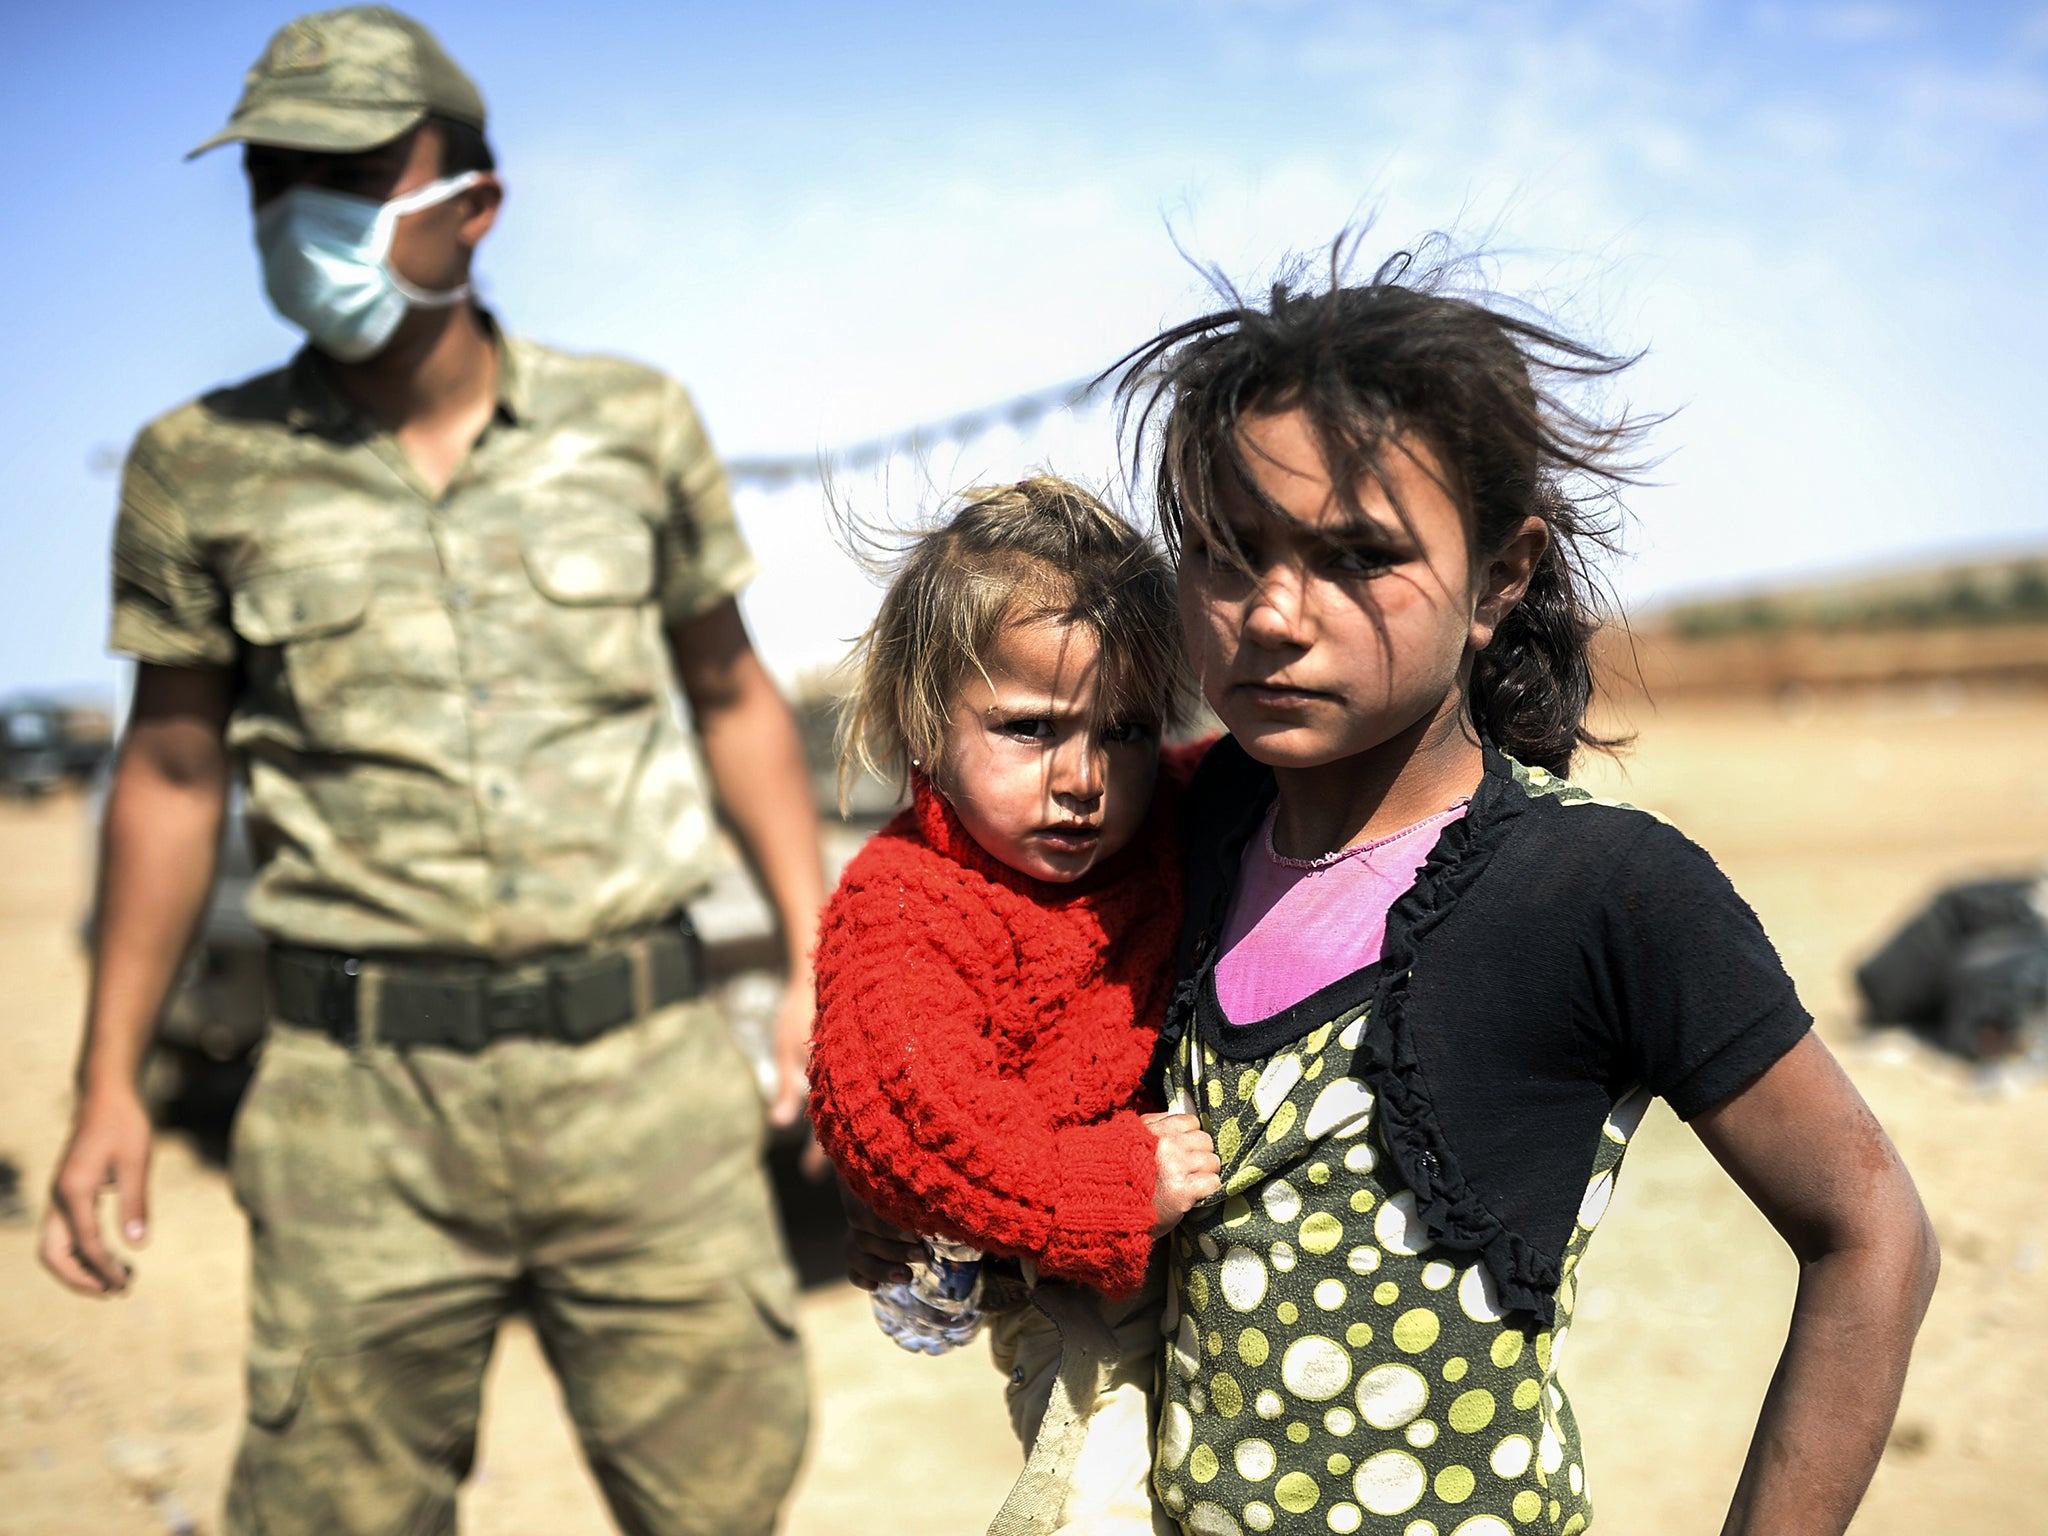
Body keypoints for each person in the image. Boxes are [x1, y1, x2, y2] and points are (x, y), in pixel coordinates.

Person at [38, 9, 820, 1534]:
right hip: (356, 1110)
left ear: (475, 204)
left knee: (724, 1504)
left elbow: (730, 696)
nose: (296, 215)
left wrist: (809, 954)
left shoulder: (632, 423)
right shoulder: (197, 464)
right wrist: (105, 1084)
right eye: (273, 177)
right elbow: (176, 771)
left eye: (342, 172)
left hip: (646, 1090)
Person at [1100, 245, 1942, 1536]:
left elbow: (1872, 1229)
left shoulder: (1598, 891)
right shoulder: (1184, 829)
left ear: (1499, 578)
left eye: (1358, 557)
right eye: (1226, 549)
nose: (1273, 612)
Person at [805, 477, 1222, 1536]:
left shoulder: (1174, 809)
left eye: (1122, 730)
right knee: (1099, 1505)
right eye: (1030, 730)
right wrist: (1108, 1183)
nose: (1083, 779)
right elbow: (909, 1133)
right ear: (919, 721)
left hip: (1204, 1282)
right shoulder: (906, 907)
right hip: (1067, 1293)